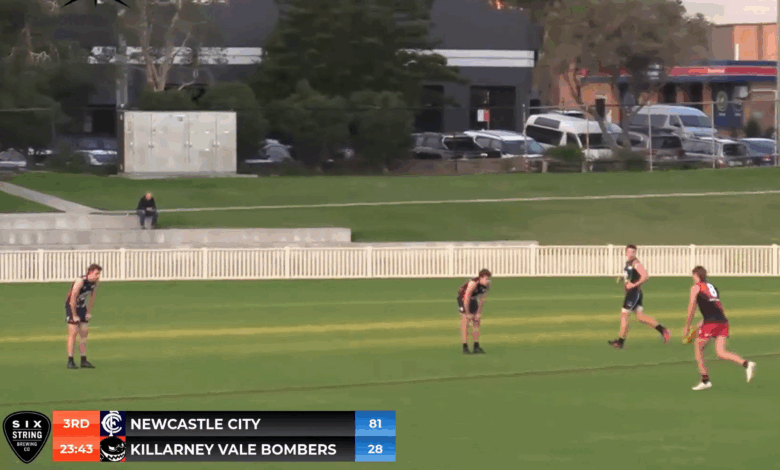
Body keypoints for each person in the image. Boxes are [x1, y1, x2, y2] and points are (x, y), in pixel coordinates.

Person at [685, 266, 756, 391]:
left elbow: (692, 307)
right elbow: (716, 305)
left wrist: (687, 326)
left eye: (693, 276)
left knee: (698, 348)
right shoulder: (712, 287)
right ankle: (746, 364)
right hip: (722, 321)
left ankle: (705, 380)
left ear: (697, 275)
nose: (692, 278)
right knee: (721, 352)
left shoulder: (696, 287)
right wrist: (704, 321)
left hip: (711, 323)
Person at [608, 245, 670, 349]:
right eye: (629, 251)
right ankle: (663, 330)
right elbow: (631, 275)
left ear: (635, 253)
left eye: (633, 252)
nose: (631, 254)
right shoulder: (628, 263)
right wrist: (624, 279)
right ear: (626, 252)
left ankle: (620, 342)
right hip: (633, 293)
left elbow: (645, 276)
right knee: (641, 317)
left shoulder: (635, 263)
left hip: (634, 293)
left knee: (624, 315)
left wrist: (633, 285)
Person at [65, 264, 102, 369]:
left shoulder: (94, 283)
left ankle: (83, 360)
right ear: (90, 272)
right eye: (96, 273)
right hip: (72, 306)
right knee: (73, 332)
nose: (98, 276)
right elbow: (73, 297)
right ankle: (70, 360)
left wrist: (88, 312)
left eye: (99, 274)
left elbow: (92, 297)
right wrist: (74, 315)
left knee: (84, 332)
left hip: (81, 306)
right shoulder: (80, 281)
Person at [457, 269, 491, 354]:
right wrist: (467, 313)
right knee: (465, 321)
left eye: (488, 279)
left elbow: (482, 299)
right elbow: (466, 298)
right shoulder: (473, 284)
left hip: (473, 299)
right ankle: (465, 347)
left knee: (476, 320)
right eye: (486, 279)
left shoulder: (486, 286)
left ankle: (476, 346)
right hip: (463, 298)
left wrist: (478, 313)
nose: (488, 281)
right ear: (481, 278)